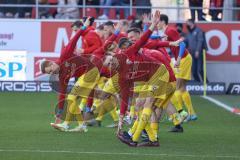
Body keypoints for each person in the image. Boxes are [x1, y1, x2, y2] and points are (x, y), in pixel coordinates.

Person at [157, 14, 197, 121]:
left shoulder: (170, 30)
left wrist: (178, 58)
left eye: (157, 22)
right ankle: (191, 113)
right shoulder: (167, 32)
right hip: (184, 58)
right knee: (182, 88)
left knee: (176, 87)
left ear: (162, 22)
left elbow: (182, 44)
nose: (156, 24)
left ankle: (182, 113)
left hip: (183, 59)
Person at [185, 19, 208, 83]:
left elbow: (200, 41)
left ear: (192, 23)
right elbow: (186, 42)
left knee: (200, 70)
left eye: (188, 23)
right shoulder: (189, 33)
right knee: (194, 71)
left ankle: (207, 83)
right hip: (192, 53)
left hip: (199, 53)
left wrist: (197, 51)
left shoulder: (198, 31)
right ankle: (198, 83)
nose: (187, 25)